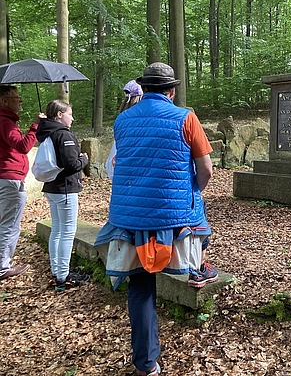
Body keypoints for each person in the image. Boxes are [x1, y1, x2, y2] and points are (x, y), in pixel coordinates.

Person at [107, 62, 215, 376]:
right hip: (174, 217)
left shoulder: (122, 120)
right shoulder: (186, 117)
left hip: (131, 219)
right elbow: (205, 170)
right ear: (172, 90)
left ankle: (146, 365)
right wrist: (193, 190)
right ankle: (198, 268)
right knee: (201, 225)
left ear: (145, 88)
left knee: (140, 287)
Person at [36, 100, 90, 290]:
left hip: (52, 188)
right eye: (69, 113)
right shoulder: (62, 134)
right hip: (65, 188)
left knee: (57, 230)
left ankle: (58, 271)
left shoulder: (47, 133)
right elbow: (71, 164)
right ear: (59, 114)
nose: (72, 118)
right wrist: (84, 159)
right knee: (66, 232)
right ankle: (62, 276)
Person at [0, 85, 43, 281]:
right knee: (9, 225)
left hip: (6, 179)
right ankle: (2, 266)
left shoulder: (7, 121)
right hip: (10, 181)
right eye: (16, 97)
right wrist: (35, 125)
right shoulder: (5, 122)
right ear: (4, 101)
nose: (20, 100)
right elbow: (24, 146)